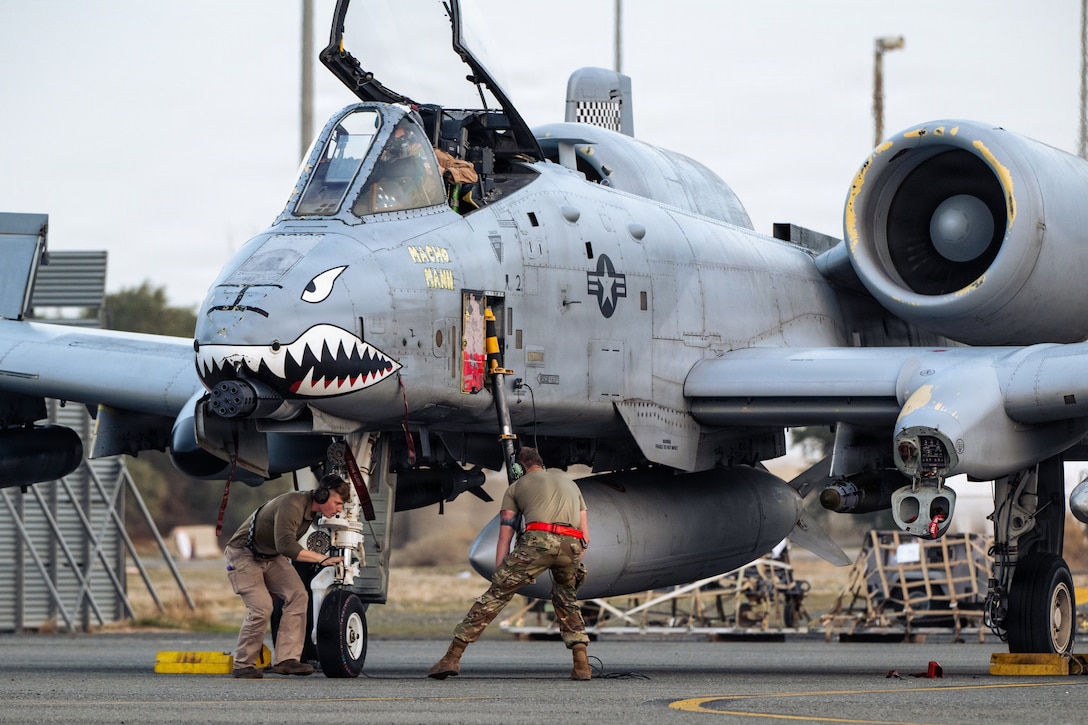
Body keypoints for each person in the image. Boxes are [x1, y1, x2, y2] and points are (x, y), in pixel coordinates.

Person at [428, 447, 592, 681]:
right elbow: (585, 536)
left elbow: (505, 534)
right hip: (571, 545)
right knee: (567, 600)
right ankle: (581, 665)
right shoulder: (571, 485)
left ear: (518, 468)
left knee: (494, 598)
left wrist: (499, 575)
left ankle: (451, 658)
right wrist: (572, 563)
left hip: (538, 541)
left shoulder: (515, 487)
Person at [224, 474, 352, 679]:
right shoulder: (292, 504)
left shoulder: (310, 512)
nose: (338, 509)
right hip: (244, 554)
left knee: (298, 594)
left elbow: (282, 547)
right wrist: (321, 559)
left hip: (271, 556)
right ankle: (243, 664)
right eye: (337, 503)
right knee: (262, 608)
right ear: (321, 495)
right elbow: (286, 545)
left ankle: (286, 660)